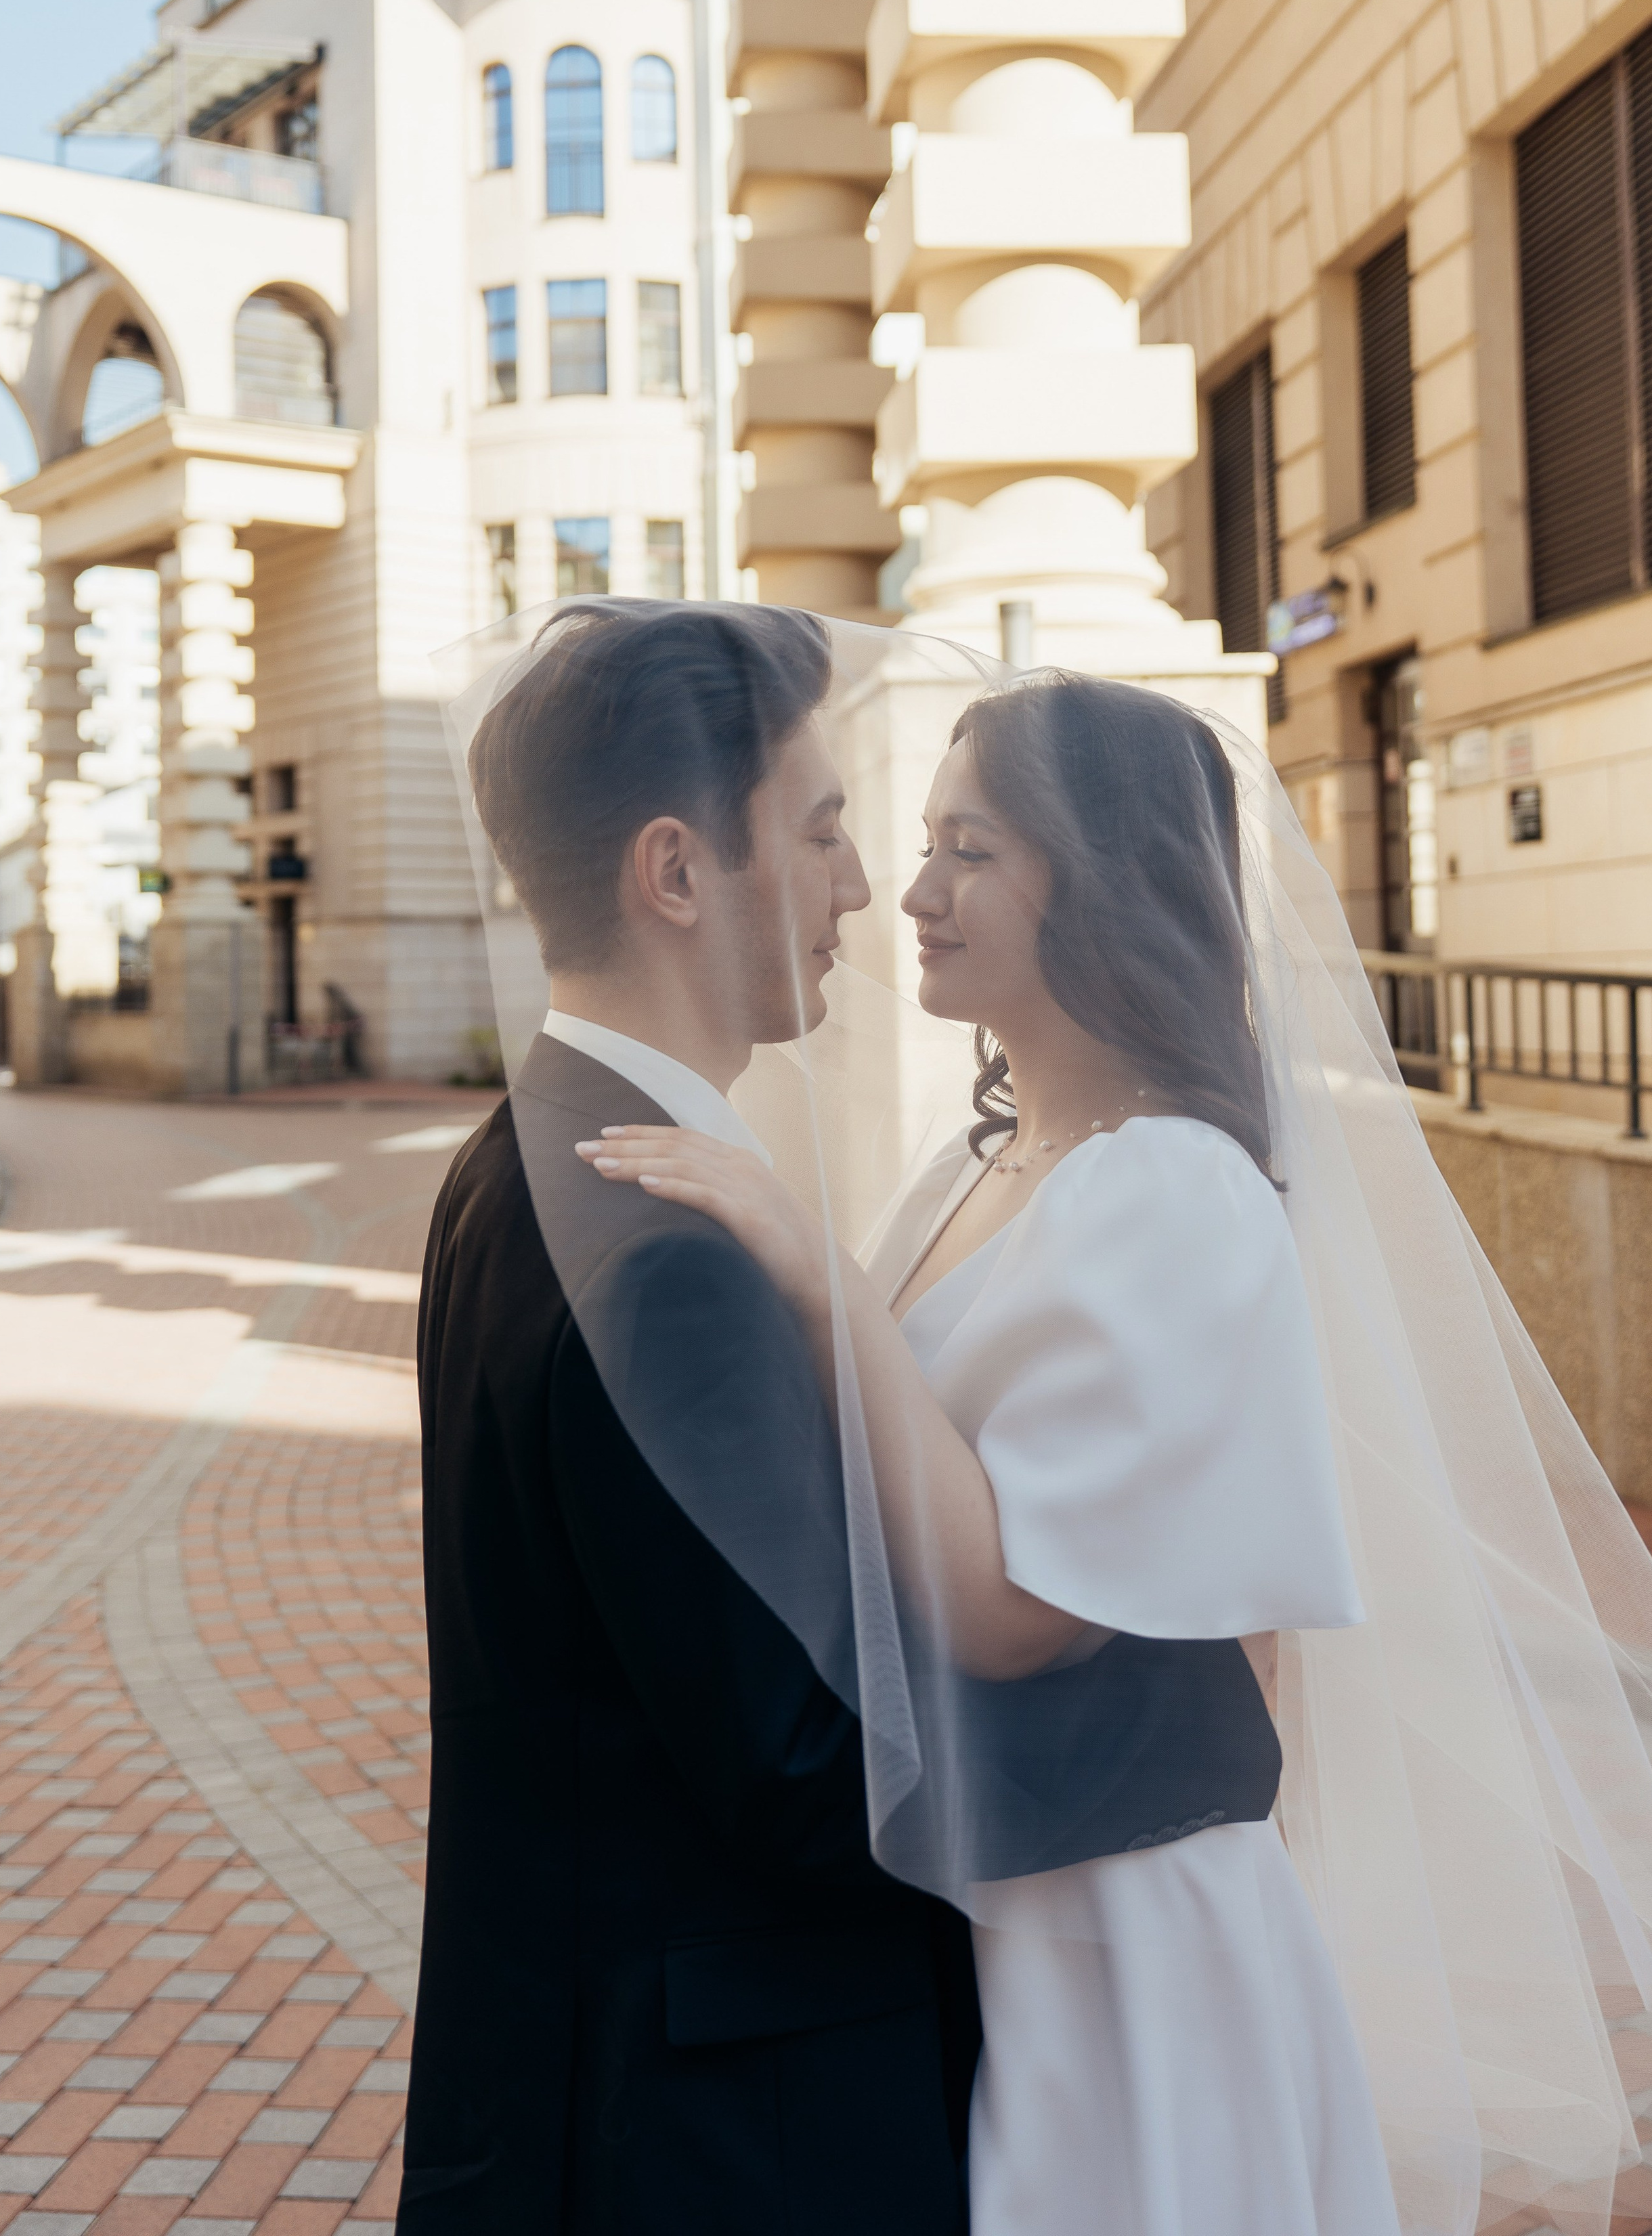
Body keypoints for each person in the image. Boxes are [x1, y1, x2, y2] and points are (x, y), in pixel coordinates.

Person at [579, 670, 1396, 2235]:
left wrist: (817, 1282)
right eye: (922, 840)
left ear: (1100, 881)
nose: (913, 892)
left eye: (972, 849)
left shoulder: (1169, 1190)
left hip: (1120, 1930)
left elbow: (1021, 1613)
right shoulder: (970, 1166)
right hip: (988, 1900)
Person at [399, 601, 979, 2235]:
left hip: (584, 2081)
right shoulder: (673, 1251)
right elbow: (806, 1779)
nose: (860, 885)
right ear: (674, 874)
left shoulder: (510, 1162)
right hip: (728, 2137)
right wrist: (1077, 1647)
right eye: (819, 829)